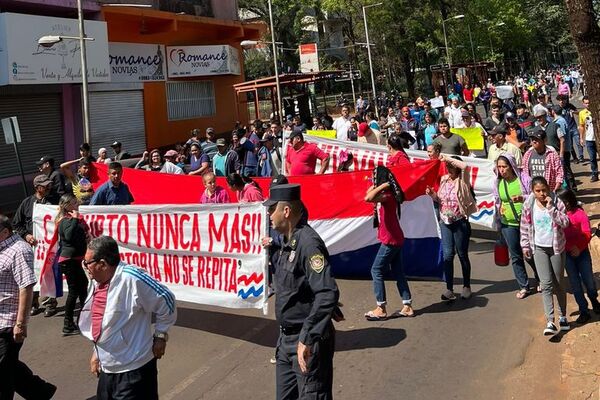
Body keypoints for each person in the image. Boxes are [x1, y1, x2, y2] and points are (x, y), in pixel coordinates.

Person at [263, 184, 339, 400]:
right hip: (286, 341)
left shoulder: (309, 244)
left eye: (272, 209)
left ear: (285, 211)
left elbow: (327, 292)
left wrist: (307, 337)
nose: (268, 214)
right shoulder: (287, 242)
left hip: (307, 342)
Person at [79, 236, 177, 400]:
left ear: (102, 264)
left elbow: (167, 299)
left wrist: (161, 335)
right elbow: (102, 322)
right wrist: (97, 353)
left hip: (134, 370)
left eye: (87, 263)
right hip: (108, 369)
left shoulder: (132, 278)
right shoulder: (96, 281)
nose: (85, 267)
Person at [0, 215, 56, 400]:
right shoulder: (3, 248)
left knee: (2, 372)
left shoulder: (19, 250)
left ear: (5, 232)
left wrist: (20, 324)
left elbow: (26, 286)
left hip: (9, 322)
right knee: (9, 365)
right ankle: (40, 392)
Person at [520, 176, 570, 336]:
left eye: (544, 190)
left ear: (548, 188)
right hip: (539, 248)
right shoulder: (529, 203)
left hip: (556, 248)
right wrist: (525, 245)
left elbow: (565, 222)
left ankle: (563, 316)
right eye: (538, 191)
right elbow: (525, 224)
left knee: (558, 283)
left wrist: (551, 209)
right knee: (546, 284)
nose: (541, 194)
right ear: (533, 191)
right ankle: (550, 321)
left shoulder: (557, 202)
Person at [363, 167, 414, 320]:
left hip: (391, 239)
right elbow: (368, 194)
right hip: (395, 238)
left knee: (376, 270)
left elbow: (368, 198)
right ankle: (407, 305)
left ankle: (381, 307)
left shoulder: (387, 195)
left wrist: (384, 184)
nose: (373, 179)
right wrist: (379, 183)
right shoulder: (387, 194)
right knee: (398, 271)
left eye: (374, 177)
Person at [426, 155, 477, 301]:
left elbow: (465, 167)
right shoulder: (443, 180)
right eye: (447, 167)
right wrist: (432, 195)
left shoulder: (463, 181)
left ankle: (466, 286)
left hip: (460, 222)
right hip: (445, 222)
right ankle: (449, 289)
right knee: (448, 255)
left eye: (452, 166)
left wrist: (447, 158)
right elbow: (440, 199)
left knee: (462, 254)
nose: (449, 169)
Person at [494, 154, 539, 298]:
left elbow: (535, 196)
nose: (502, 170)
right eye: (499, 167)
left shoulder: (524, 179)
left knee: (529, 253)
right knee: (515, 256)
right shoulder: (497, 182)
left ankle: (541, 278)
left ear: (511, 166)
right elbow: (496, 200)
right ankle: (524, 286)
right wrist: (499, 209)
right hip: (508, 224)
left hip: (525, 223)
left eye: (504, 166)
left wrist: (521, 198)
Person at [12, 175, 58, 317]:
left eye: (49, 185)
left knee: (49, 274)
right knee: (32, 274)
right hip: (33, 247)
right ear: (37, 188)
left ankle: (50, 303)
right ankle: (34, 303)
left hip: (50, 245)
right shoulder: (27, 203)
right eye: (45, 186)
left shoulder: (55, 200)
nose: (48, 188)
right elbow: (16, 224)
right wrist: (26, 235)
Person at [557, 189, 600, 324]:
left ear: (569, 202)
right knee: (575, 284)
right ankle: (583, 310)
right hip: (567, 255)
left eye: (562, 202)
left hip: (582, 253)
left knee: (589, 282)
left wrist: (579, 247)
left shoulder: (579, 214)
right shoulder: (557, 216)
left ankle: (594, 299)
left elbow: (587, 233)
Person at [55, 193, 89, 335]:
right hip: (69, 262)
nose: (77, 206)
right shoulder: (64, 220)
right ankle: (68, 323)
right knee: (74, 291)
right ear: (68, 206)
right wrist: (75, 219)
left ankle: (85, 318)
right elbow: (68, 236)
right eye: (75, 203)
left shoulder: (72, 220)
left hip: (75, 260)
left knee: (83, 288)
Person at [579, 96, 598, 182]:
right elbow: (582, 126)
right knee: (592, 158)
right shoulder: (582, 113)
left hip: (597, 138)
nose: (588, 105)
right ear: (583, 104)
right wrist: (581, 138)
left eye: (589, 103)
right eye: (586, 103)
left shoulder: (596, 110)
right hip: (589, 139)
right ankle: (594, 174)